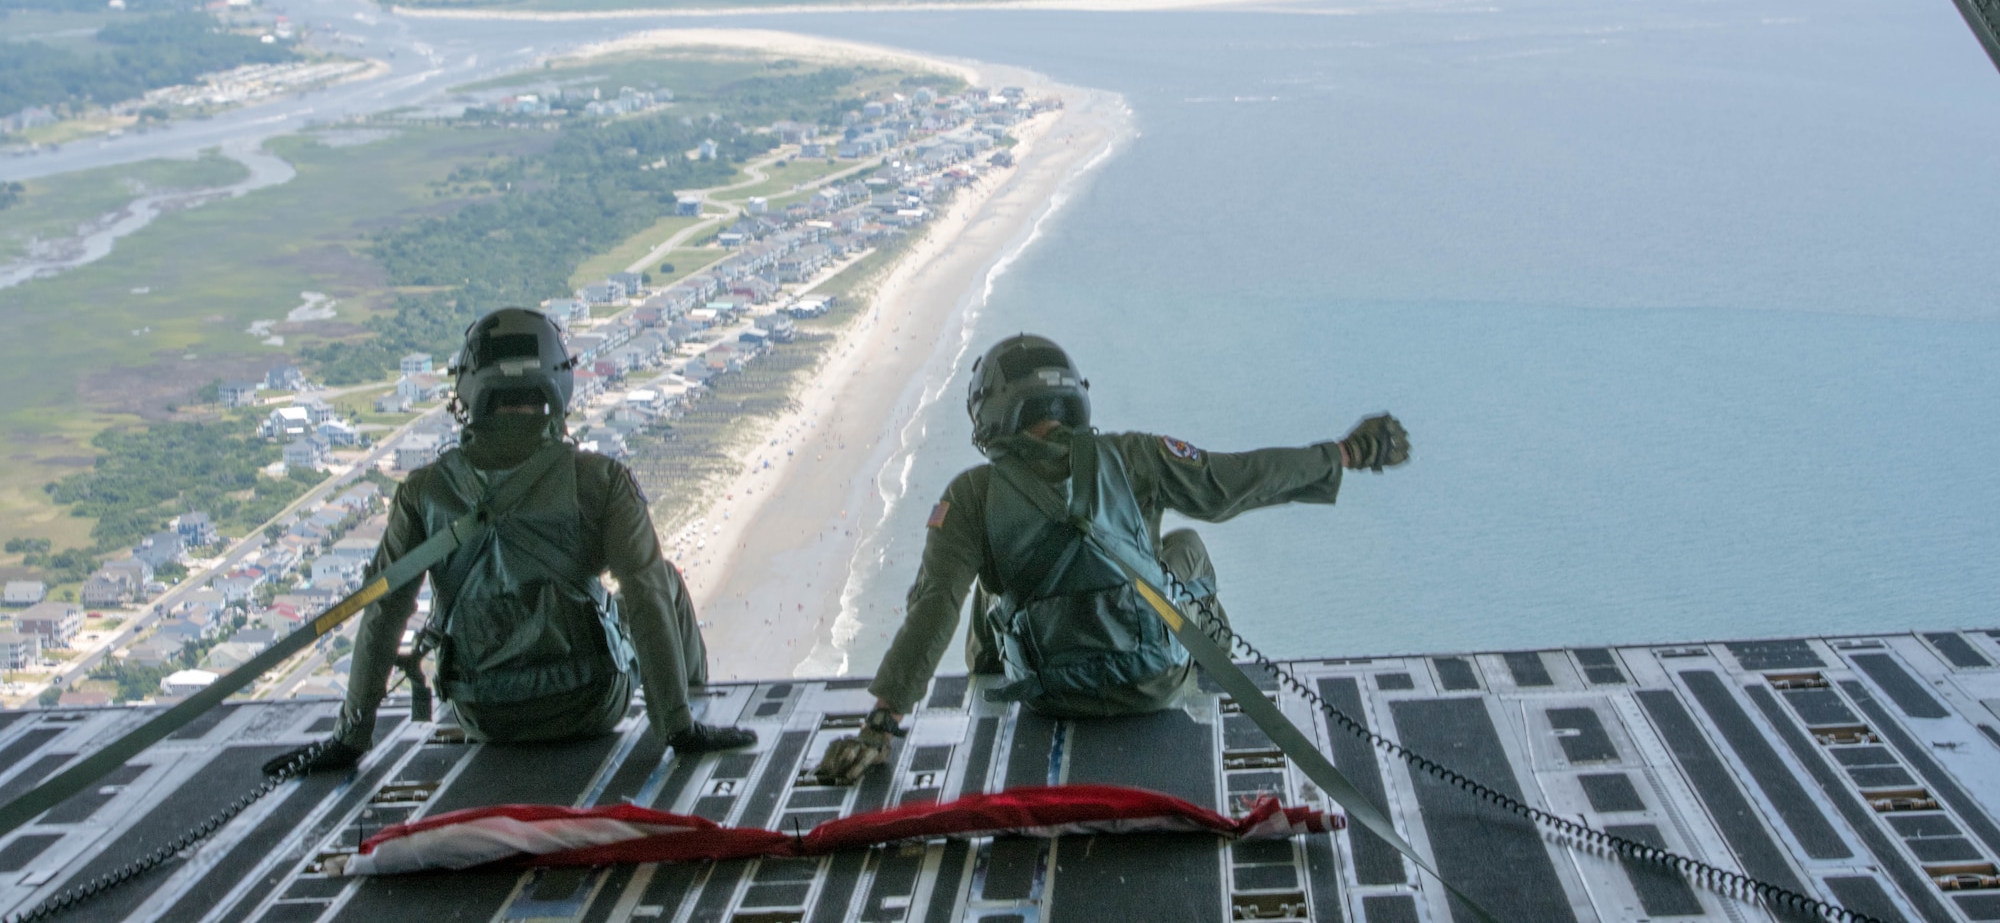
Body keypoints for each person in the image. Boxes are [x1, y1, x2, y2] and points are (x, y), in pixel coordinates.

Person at [814, 332, 1409, 785]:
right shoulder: (1135, 456)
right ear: (1070, 398)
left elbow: (934, 607)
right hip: (1153, 682)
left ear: (991, 413)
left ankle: (989, 700)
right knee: (1187, 548)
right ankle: (1207, 669)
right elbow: (1234, 483)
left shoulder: (970, 495)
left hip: (1045, 697)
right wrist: (1345, 453)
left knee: (984, 593)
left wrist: (881, 725)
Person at [266, 308, 752, 775]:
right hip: (590, 704)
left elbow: (383, 609)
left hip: (481, 715)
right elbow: (644, 596)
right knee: (663, 578)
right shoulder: (602, 480)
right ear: (558, 380)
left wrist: (350, 737)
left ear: (470, 387)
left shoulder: (424, 491)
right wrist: (677, 729)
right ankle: (686, 714)